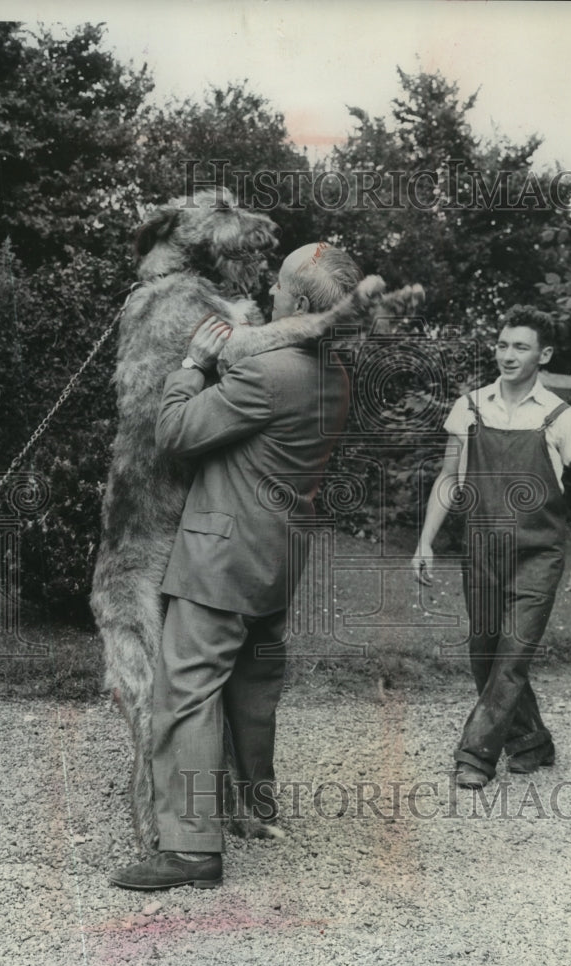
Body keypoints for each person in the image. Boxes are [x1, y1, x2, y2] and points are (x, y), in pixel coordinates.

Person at [110, 243, 361, 889]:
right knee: (253, 692)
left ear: (301, 305)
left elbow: (175, 432)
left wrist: (192, 365)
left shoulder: (266, 374)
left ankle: (191, 849)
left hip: (221, 558)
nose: (268, 294)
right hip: (277, 557)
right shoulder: (334, 377)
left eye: (278, 287)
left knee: (185, 694)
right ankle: (255, 807)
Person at [413, 305, 571, 788]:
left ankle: (475, 755)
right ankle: (533, 741)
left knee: (513, 655)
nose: (508, 354)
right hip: (481, 551)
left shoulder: (563, 417)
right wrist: (425, 541)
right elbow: (447, 478)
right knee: (485, 654)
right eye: (502, 345)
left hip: (538, 555)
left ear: (544, 355)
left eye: (520, 346)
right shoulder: (471, 406)